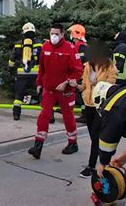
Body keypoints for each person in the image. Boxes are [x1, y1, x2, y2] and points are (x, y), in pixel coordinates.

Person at [28, 23, 83, 159]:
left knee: (67, 116)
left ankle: (72, 142)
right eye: (52, 33)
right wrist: (39, 83)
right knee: (44, 115)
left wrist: (66, 83)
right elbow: (42, 68)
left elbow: (78, 70)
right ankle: (38, 145)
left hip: (65, 90)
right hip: (49, 89)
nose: (54, 36)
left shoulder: (70, 49)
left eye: (57, 34)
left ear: (62, 35)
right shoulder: (45, 47)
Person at [76, 42, 117, 178]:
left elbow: (112, 83)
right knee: (94, 137)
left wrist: (98, 84)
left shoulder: (108, 65)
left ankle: (91, 166)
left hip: (102, 105)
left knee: (95, 135)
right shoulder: (87, 66)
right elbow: (84, 85)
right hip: (89, 104)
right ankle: (104, 161)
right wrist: (76, 85)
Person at [8, 22, 42, 120]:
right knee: (42, 94)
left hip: (22, 74)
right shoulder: (39, 43)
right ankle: (49, 115)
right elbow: (43, 59)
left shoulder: (18, 44)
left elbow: (12, 59)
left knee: (19, 95)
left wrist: (10, 69)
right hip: (36, 74)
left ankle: (16, 114)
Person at [68, 24, 88, 123]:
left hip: (82, 75)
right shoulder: (78, 46)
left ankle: (85, 115)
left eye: (71, 32)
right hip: (80, 74)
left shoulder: (81, 47)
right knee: (77, 93)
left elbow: (80, 61)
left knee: (79, 93)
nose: (70, 34)